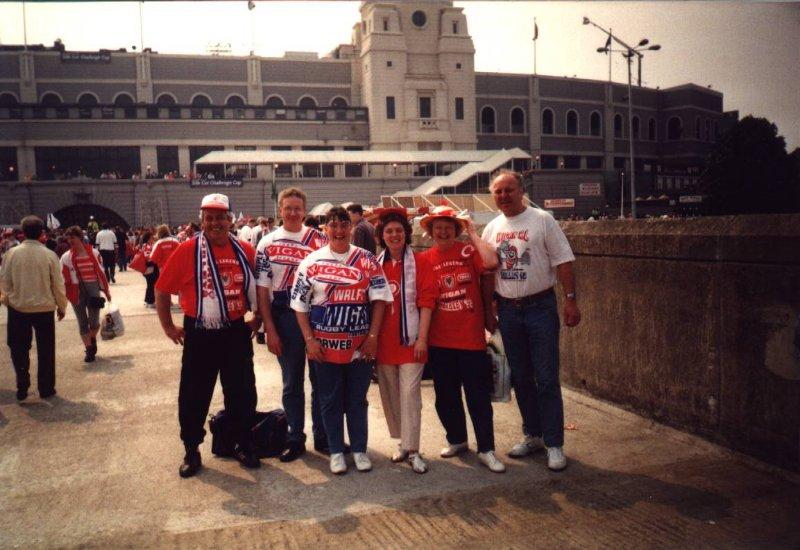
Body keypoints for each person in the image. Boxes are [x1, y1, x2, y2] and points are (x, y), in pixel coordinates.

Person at [155, 192, 262, 478]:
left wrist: (259, 318)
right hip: (199, 333)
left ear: (230, 219)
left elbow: (261, 290)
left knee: (242, 392)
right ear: (202, 220)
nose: (215, 223)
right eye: (209, 218)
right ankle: (191, 449)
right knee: (193, 394)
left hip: (235, 333)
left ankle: (243, 442)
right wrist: (168, 326)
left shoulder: (244, 251)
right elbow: (162, 289)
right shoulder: (187, 250)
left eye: (220, 217)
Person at [482, 171, 581, 471]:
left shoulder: (542, 220)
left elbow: (563, 260)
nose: (503, 196)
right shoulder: (491, 228)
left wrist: (571, 299)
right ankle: (533, 434)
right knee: (521, 377)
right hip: (509, 311)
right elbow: (488, 271)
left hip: (540, 307)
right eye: (497, 191)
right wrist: (489, 308)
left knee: (547, 377)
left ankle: (554, 443)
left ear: (521, 190)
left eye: (509, 190)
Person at [291, 206, 392, 475]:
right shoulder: (310, 262)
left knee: (357, 400)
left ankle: (359, 449)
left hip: (360, 347)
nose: (338, 231)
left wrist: (373, 337)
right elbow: (299, 306)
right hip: (324, 348)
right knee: (329, 400)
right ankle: (336, 450)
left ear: (351, 227)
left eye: (343, 225)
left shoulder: (367, 259)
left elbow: (380, 300)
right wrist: (309, 341)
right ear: (325, 229)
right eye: (333, 225)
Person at [419, 206, 505, 473]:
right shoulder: (423, 259)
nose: (443, 231)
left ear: (456, 230)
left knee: (477, 396)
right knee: (445, 396)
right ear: (430, 231)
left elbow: (491, 262)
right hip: (439, 339)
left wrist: (472, 231)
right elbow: (424, 299)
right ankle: (457, 439)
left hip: (470, 337)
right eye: (438, 227)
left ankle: (487, 448)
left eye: (448, 226)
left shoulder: (468, 251)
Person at [255, 187, 330, 462]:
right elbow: (262, 290)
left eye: (298, 208)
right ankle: (295, 436)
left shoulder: (320, 240)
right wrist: (269, 329)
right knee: (291, 383)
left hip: (316, 315)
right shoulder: (267, 243)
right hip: (284, 316)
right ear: (280, 210)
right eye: (288, 208)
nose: (293, 213)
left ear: (305, 211)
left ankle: (324, 436)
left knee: (321, 380)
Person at [373, 208, 437, 474]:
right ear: (382, 235)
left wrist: (422, 337)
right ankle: (402, 442)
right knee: (390, 394)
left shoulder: (420, 262)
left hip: (411, 340)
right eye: (389, 231)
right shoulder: (376, 264)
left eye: (399, 230)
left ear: (406, 233)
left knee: (410, 394)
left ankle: (413, 450)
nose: (394, 235)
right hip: (385, 341)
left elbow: (426, 302)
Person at [0, 215, 67, 400]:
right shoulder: (49, 255)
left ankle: (22, 382)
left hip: (18, 309)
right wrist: (61, 306)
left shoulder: (11, 254)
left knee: (18, 348)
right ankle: (46, 388)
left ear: (22, 232)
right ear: (41, 233)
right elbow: (58, 284)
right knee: (46, 349)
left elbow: (4, 282)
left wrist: (7, 300)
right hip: (44, 308)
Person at [61, 225, 111, 363]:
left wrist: (106, 291)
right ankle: (89, 349)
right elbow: (62, 277)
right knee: (82, 321)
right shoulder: (66, 257)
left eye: (73, 237)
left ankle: (92, 338)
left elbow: (101, 273)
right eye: (68, 238)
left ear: (80, 238)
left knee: (94, 322)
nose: (70, 240)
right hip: (76, 291)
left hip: (93, 288)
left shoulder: (94, 253)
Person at [139, 231, 157, 308]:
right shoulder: (149, 246)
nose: (153, 239)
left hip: (146, 267)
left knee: (150, 284)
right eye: (152, 238)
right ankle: (150, 301)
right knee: (151, 284)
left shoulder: (144, 245)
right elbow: (149, 257)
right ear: (148, 239)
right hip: (151, 266)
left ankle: (147, 300)